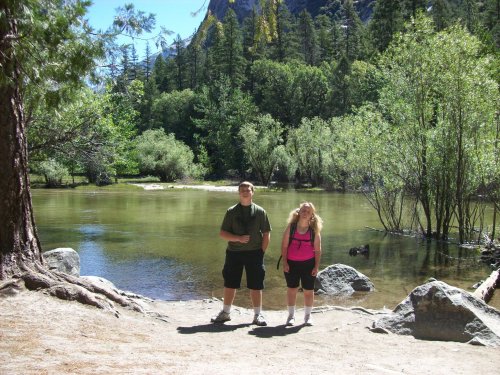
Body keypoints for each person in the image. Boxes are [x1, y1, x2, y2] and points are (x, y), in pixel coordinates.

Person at [211, 181, 271, 326]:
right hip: (234, 253)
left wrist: (261, 252)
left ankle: (257, 315)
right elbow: (223, 233)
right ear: (239, 193)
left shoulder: (260, 212)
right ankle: (225, 313)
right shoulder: (231, 211)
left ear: (252, 192)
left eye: (248, 189)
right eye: (242, 190)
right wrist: (237, 238)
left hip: (255, 253)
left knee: (256, 285)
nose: (245, 192)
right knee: (230, 283)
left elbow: (266, 234)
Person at [281, 202, 323, 326]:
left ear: (312, 215)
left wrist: (316, 266)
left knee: (308, 291)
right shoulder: (291, 227)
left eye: (308, 212)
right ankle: (291, 316)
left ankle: (308, 316)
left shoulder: (314, 231)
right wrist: (285, 263)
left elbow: (318, 250)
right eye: (303, 211)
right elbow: (284, 246)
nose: (305, 213)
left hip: (308, 264)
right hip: (291, 263)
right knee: (292, 289)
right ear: (298, 212)